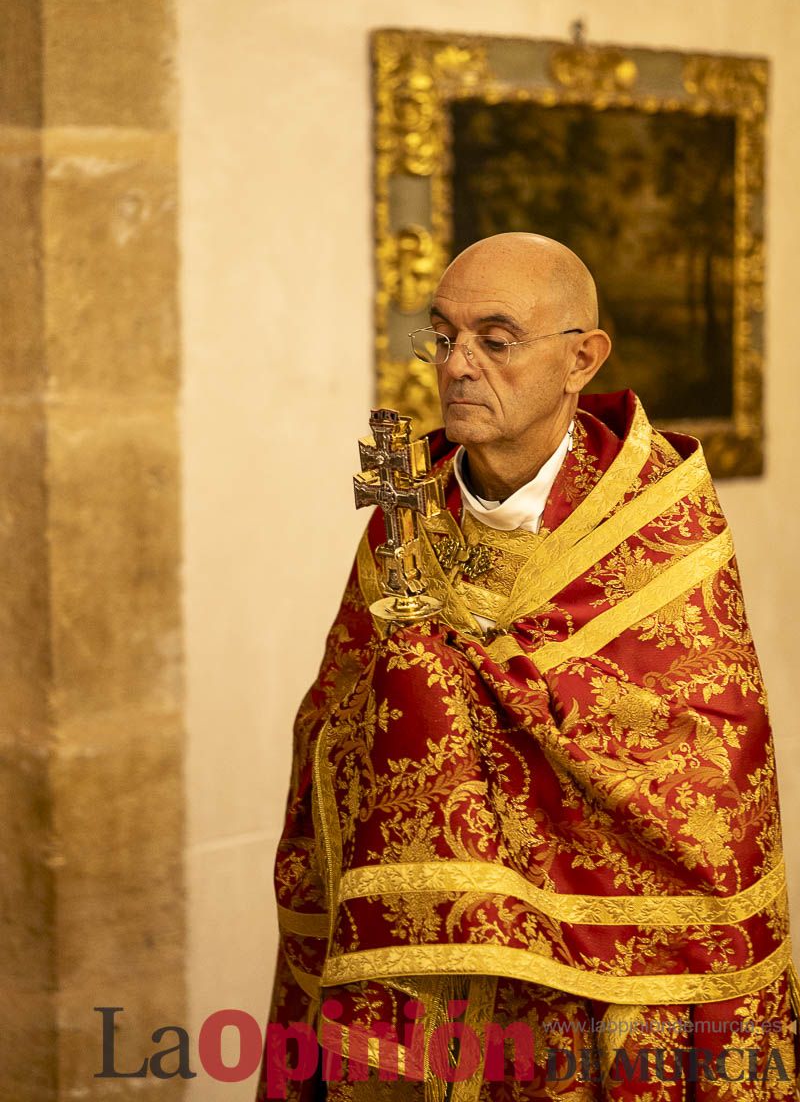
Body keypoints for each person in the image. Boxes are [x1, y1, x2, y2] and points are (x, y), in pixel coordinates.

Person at [258, 233, 797, 1101]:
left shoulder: (663, 524)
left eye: (495, 339)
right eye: (443, 336)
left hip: (591, 988)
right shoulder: (407, 515)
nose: (458, 365)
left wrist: (463, 688)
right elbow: (330, 717)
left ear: (581, 359)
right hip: (431, 980)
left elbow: (710, 765)